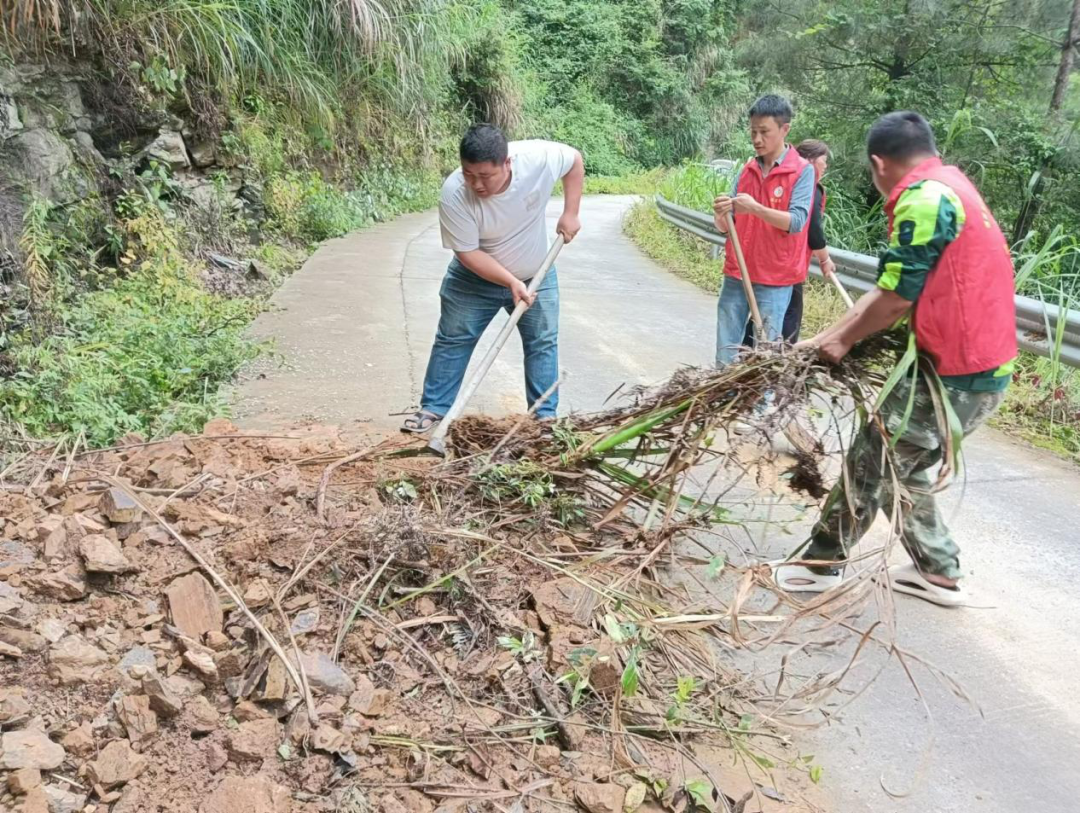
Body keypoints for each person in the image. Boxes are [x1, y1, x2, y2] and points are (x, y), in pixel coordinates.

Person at [774, 111, 1017, 607]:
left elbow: (897, 298)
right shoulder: (949, 185)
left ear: (878, 163)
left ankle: (821, 564)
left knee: (874, 455)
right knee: (897, 464)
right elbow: (890, 289)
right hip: (980, 369)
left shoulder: (924, 200)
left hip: (960, 371)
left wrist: (841, 343)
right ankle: (937, 569)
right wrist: (825, 337)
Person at [402, 124, 584, 433]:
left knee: (542, 342)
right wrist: (511, 282)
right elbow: (467, 253)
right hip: (473, 280)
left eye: (485, 176)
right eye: (469, 174)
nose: (477, 184)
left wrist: (571, 212)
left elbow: (574, 161)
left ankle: (544, 419)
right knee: (454, 339)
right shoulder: (454, 193)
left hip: (535, 273)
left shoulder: (538, 158)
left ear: (507, 163)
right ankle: (433, 409)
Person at [713, 94, 815, 366]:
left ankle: (763, 408)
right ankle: (722, 401)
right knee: (726, 351)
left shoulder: (802, 172)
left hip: (775, 278)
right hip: (738, 272)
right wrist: (721, 214)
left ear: (785, 130)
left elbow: (796, 222)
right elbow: (727, 226)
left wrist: (756, 208)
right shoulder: (746, 170)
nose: (757, 139)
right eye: (753, 132)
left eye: (764, 132)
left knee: (764, 357)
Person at [743, 138, 838, 346]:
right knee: (789, 316)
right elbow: (813, 230)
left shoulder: (782, 180)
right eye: (823, 160)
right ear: (812, 161)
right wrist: (825, 259)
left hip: (766, 258)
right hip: (789, 264)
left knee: (763, 315)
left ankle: (745, 357)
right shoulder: (810, 187)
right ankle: (776, 364)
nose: (825, 165)